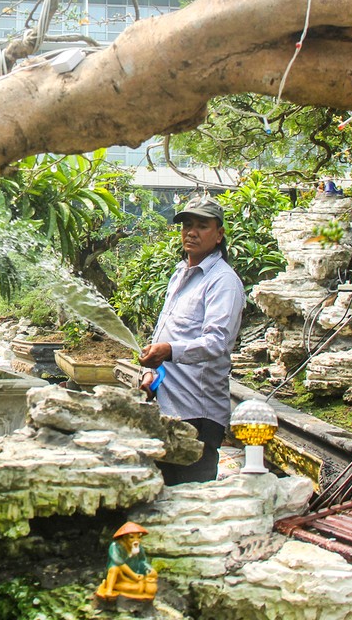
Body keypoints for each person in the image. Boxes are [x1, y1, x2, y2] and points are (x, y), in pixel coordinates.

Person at [139, 195, 244, 485]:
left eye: (201, 225)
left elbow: (217, 342)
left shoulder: (223, 281)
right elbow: (166, 332)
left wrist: (169, 350)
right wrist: (150, 374)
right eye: (186, 225)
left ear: (219, 234)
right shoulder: (180, 275)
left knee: (192, 501)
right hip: (167, 409)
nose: (191, 232)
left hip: (197, 415)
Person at [95, 521, 157, 601]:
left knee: (139, 588)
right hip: (119, 575)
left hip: (133, 577)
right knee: (114, 568)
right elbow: (119, 562)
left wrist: (148, 569)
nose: (136, 540)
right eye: (132, 537)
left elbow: (142, 560)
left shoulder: (138, 547)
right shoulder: (115, 546)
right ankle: (109, 589)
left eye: (138, 537)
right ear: (124, 538)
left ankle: (117, 587)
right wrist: (133, 575)